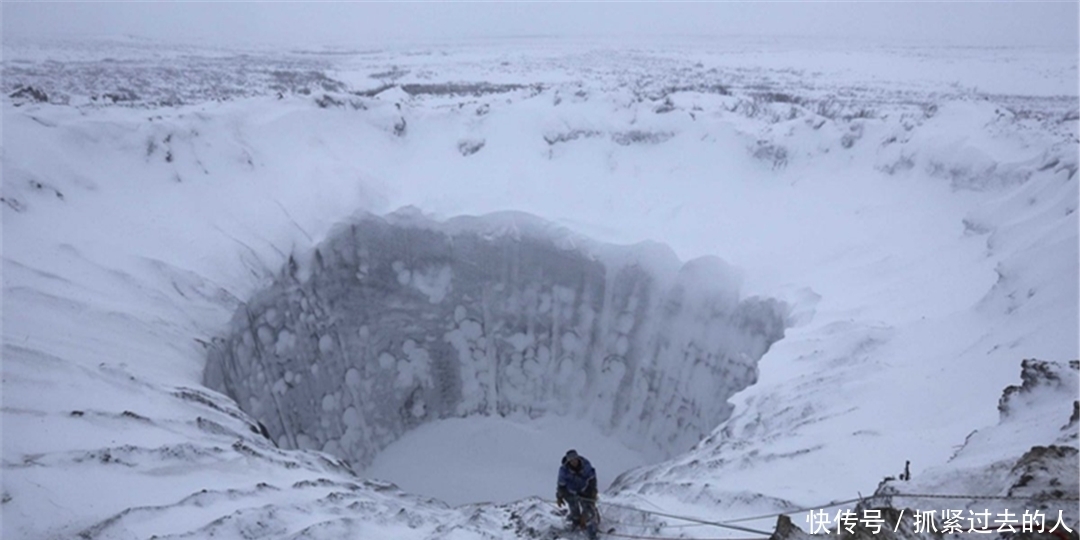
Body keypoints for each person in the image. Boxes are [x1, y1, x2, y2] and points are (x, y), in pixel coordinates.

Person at [556, 449, 599, 539]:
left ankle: (592, 530)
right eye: (571, 460)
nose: (574, 462)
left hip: (585, 490)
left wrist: (593, 491)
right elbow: (561, 485)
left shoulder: (586, 466)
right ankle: (576, 522)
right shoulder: (564, 471)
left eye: (575, 459)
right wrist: (559, 496)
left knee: (588, 510)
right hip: (571, 492)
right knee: (574, 509)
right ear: (568, 461)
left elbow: (592, 479)